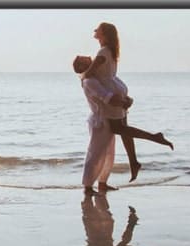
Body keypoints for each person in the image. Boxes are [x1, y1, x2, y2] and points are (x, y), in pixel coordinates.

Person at [80, 22, 173, 182]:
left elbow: (89, 73)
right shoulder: (112, 50)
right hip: (117, 88)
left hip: (112, 91)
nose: (95, 30)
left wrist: (81, 76)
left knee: (119, 128)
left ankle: (154, 137)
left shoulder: (103, 51)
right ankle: (134, 161)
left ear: (104, 34)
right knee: (124, 129)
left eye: (98, 29)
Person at [74, 55, 131, 195]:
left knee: (109, 154)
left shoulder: (98, 79)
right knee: (95, 154)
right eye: (85, 59)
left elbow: (113, 93)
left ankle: (102, 183)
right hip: (100, 122)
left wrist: (125, 100)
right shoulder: (89, 81)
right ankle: (87, 187)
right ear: (82, 67)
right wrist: (124, 103)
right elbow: (108, 98)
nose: (90, 58)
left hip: (108, 119)